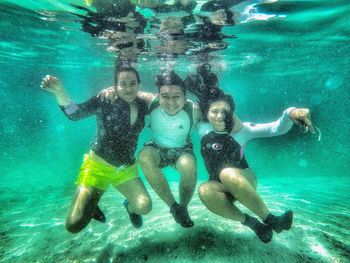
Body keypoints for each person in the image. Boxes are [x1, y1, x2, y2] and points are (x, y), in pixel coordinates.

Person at [40, 65, 152, 233]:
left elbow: (166, 98)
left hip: (125, 169)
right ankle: (92, 203)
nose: (128, 88)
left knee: (144, 207)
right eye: (122, 84)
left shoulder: (144, 103)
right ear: (115, 85)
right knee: (74, 225)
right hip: (97, 168)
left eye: (132, 83)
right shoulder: (105, 99)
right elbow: (75, 113)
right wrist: (59, 91)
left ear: (139, 84)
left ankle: (129, 206)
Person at [196, 93, 314, 243]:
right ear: (207, 113)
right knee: (204, 190)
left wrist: (290, 112)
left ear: (232, 113)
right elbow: (182, 110)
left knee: (227, 173)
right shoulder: (201, 129)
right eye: (214, 111)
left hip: (244, 180)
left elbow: (275, 128)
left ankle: (273, 220)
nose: (220, 116)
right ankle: (255, 225)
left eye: (225, 112)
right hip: (221, 187)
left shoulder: (243, 130)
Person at [99, 70, 202, 228]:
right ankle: (174, 207)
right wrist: (111, 90)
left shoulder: (194, 110)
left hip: (182, 149)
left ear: (185, 97)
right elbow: (128, 91)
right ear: (159, 95)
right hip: (157, 148)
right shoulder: (150, 101)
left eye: (176, 97)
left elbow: (217, 114)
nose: (170, 102)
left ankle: (183, 207)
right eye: (165, 96)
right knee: (144, 157)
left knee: (190, 167)